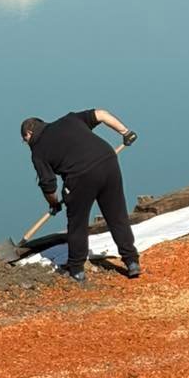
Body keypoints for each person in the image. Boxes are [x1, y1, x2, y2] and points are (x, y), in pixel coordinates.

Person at [20, 109, 140, 283]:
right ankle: (131, 261)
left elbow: (48, 185)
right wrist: (125, 132)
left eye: (25, 140)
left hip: (80, 176)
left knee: (77, 223)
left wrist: (53, 203)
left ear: (29, 133)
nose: (27, 144)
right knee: (117, 215)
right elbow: (101, 113)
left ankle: (76, 269)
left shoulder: (38, 151)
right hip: (107, 161)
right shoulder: (69, 120)